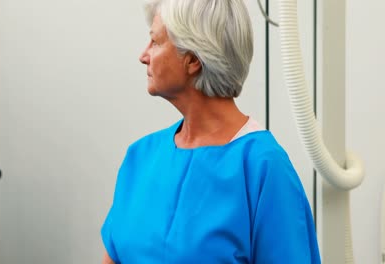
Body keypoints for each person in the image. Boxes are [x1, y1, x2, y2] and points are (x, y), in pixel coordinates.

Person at [101, 0, 321, 263]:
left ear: (192, 60)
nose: (143, 55)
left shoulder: (263, 168)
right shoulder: (141, 157)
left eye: (156, 42)